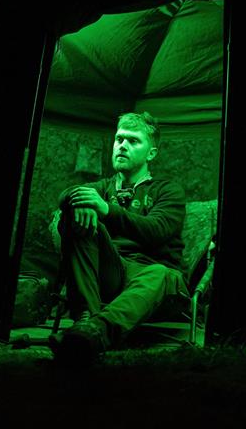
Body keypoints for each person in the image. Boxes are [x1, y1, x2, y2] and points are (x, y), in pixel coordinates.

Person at [50, 111, 187, 366]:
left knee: (159, 273)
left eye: (133, 141)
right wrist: (79, 201)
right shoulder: (103, 188)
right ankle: (84, 321)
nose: (122, 145)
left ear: (151, 154)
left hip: (156, 278)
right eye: (119, 139)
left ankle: (95, 332)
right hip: (114, 271)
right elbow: (66, 194)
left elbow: (156, 230)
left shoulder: (167, 190)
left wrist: (105, 210)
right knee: (75, 218)